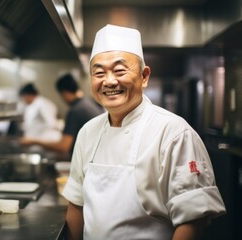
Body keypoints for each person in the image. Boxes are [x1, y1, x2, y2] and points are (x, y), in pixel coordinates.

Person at [62, 24, 226, 240]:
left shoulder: (174, 132)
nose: (109, 81)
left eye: (120, 71)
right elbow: (76, 205)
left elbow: (193, 220)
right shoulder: (87, 132)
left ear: (144, 76)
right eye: (99, 73)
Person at [20, 74, 104, 158]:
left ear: (64, 92)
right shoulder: (89, 102)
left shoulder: (75, 110)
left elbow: (64, 147)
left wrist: (34, 141)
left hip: (89, 159)